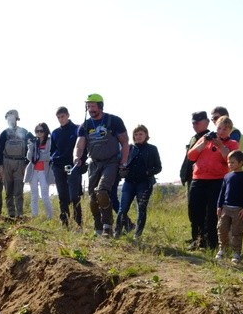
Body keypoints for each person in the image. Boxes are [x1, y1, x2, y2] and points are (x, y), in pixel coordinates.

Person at [74, 93, 129, 237]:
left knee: (102, 191)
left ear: (100, 106)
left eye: (93, 106)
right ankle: (97, 226)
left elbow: (124, 142)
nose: (90, 109)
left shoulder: (114, 121)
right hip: (94, 163)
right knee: (92, 197)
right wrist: (76, 158)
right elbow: (79, 146)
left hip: (111, 162)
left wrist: (123, 162)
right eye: (88, 106)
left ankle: (107, 227)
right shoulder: (85, 126)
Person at [186, 115, 239, 251]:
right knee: (195, 211)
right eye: (219, 128)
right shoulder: (205, 139)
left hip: (217, 180)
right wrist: (204, 142)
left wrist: (220, 145)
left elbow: (229, 159)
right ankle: (197, 240)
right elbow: (191, 156)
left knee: (212, 214)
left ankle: (211, 243)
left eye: (225, 129)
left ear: (229, 131)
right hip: (198, 179)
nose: (221, 132)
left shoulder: (232, 143)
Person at [115, 125, 161, 239]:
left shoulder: (152, 149)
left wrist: (147, 172)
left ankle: (137, 235)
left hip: (144, 183)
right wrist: (122, 169)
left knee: (141, 208)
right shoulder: (129, 148)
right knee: (123, 208)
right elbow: (119, 162)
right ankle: (117, 232)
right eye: (136, 134)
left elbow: (158, 167)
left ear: (146, 135)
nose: (138, 136)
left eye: (141, 134)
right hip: (129, 182)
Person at [50, 106, 85, 228]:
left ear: (68, 115)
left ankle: (79, 223)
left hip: (73, 165)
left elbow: (82, 146)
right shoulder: (55, 132)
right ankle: (64, 222)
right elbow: (52, 150)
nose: (61, 119)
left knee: (74, 195)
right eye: (58, 117)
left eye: (62, 116)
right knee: (62, 195)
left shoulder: (77, 129)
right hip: (58, 166)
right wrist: (53, 160)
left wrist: (81, 161)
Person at [215, 150, 243, 264]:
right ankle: (222, 249)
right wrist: (219, 206)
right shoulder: (227, 176)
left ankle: (236, 252)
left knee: (237, 231)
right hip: (226, 208)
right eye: (229, 162)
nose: (230, 165)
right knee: (222, 229)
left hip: (238, 210)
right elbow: (222, 192)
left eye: (233, 162)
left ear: (241, 163)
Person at [0, 109, 32, 219]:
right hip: (7, 162)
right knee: (8, 190)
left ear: (16, 118)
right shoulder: (4, 133)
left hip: (20, 162)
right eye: (8, 118)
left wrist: (26, 162)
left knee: (18, 190)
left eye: (12, 117)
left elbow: (30, 147)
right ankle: (11, 214)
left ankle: (19, 214)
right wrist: (0, 167)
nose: (10, 119)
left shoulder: (24, 132)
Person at [23, 122, 54, 219]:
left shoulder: (50, 141)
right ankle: (34, 216)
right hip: (33, 171)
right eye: (37, 131)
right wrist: (31, 146)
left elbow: (49, 156)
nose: (39, 133)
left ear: (45, 131)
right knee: (34, 195)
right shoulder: (33, 142)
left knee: (45, 196)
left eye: (41, 131)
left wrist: (37, 156)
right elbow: (29, 157)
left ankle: (50, 216)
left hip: (44, 172)